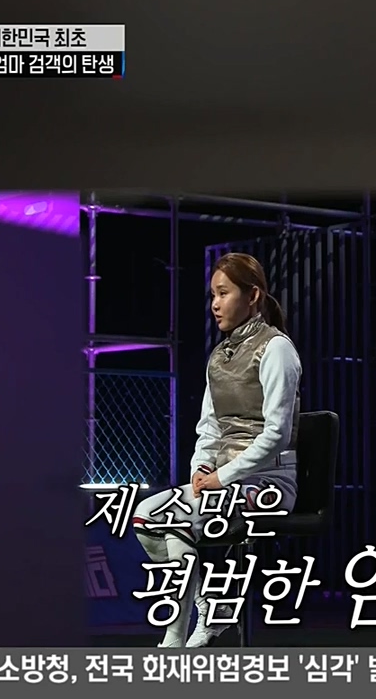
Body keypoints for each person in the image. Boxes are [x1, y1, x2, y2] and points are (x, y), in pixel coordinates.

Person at [132, 253, 301, 648]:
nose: (215, 304)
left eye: (224, 293)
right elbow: (209, 426)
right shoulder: (219, 357)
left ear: (252, 295)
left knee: (173, 520)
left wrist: (221, 477)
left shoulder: (276, 349)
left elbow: (277, 435)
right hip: (223, 482)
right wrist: (201, 467)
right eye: (213, 295)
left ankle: (174, 637)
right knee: (146, 515)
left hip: (268, 484)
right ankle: (212, 603)